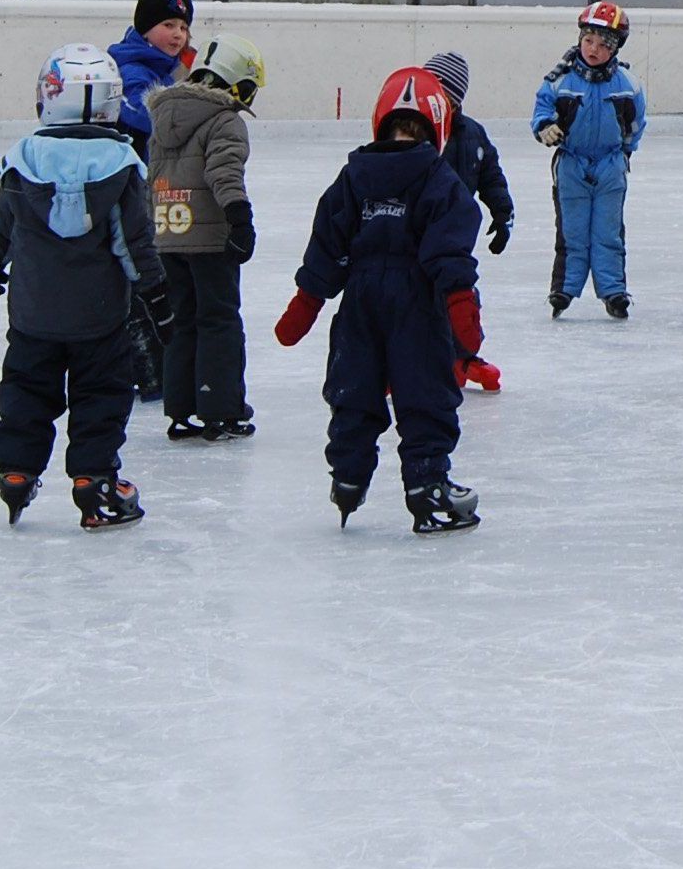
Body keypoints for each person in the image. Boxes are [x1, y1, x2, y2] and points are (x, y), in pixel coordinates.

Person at [0, 44, 169, 530]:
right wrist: (160, 301)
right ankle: (94, 481)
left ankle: (17, 470)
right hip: (101, 317)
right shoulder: (121, 163)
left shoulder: (23, 159)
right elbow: (134, 245)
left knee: (26, 390)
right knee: (101, 397)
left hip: (33, 315)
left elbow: (1, 232)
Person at [276, 67, 484, 532]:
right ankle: (427, 487)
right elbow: (448, 249)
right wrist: (460, 307)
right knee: (424, 392)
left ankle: (348, 476)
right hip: (417, 302)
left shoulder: (353, 176)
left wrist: (307, 301)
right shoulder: (440, 178)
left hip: (361, 301)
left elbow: (329, 240)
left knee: (355, 386)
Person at [148, 31, 266, 440]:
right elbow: (223, 173)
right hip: (210, 239)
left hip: (169, 233)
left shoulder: (165, 118)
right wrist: (240, 219)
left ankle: (181, 408)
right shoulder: (224, 120)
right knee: (219, 321)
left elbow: (154, 179)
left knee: (184, 323)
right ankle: (221, 406)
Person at [534, 1, 647, 317]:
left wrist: (625, 153)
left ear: (615, 49)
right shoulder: (560, 80)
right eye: (588, 41)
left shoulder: (628, 84)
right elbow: (542, 110)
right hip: (572, 164)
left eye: (602, 44)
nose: (593, 49)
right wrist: (545, 128)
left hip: (610, 165)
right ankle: (564, 289)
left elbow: (635, 124)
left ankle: (613, 291)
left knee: (607, 230)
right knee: (572, 228)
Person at [426, 51, 516, 390]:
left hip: (457, 236)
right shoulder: (412, 131)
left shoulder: (472, 135)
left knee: (462, 298)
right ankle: (403, 361)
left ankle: (461, 356)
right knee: (414, 297)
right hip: (416, 232)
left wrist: (503, 214)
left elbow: (492, 177)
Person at [106, 0, 196, 152]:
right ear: (145, 30)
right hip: (135, 172)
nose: (178, 34)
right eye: (168, 25)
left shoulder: (164, 69)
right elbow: (144, 115)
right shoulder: (131, 70)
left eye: (183, 28)